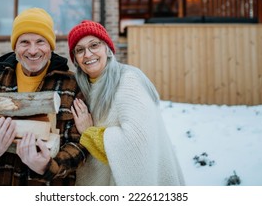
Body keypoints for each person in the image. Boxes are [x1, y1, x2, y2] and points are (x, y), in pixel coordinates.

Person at [0, 8, 88, 186]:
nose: (33, 51)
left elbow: (81, 145)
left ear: (50, 46)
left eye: (40, 41)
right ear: (15, 46)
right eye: (24, 42)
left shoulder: (71, 85)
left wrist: (48, 166)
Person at [67, 20, 185, 186]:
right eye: (80, 50)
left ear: (107, 49)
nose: (87, 54)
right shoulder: (83, 88)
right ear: (75, 59)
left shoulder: (128, 81)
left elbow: (136, 142)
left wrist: (88, 131)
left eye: (94, 45)